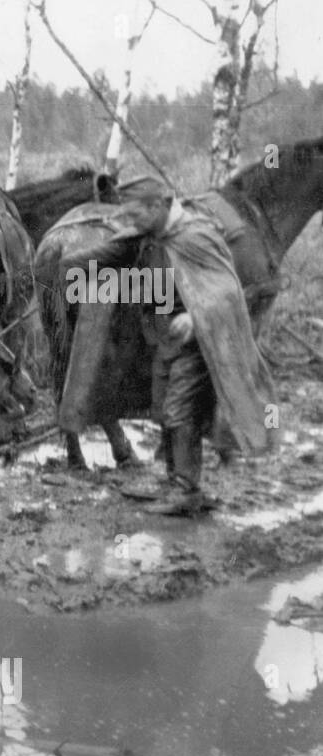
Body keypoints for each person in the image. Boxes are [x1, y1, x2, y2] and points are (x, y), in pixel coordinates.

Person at [60, 177, 275, 516]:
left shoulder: (196, 236)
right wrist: (71, 262)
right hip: (163, 340)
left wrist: (195, 315)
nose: (132, 223)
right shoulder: (148, 237)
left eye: (136, 215)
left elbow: (228, 291)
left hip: (200, 342)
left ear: (159, 205)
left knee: (179, 411)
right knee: (165, 410)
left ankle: (187, 489)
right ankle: (175, 480)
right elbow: (109, 254)